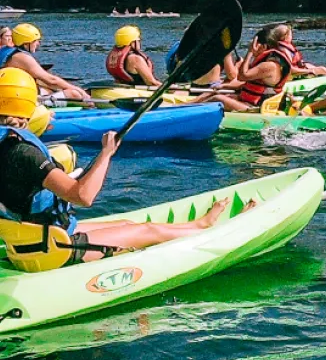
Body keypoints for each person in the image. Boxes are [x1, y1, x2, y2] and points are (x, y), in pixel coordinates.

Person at [0, 68, 250, 270]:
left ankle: (197, 224)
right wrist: (106, 153)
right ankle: (204, 228)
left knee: (127, 222)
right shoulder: (23, 153)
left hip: (27, 241)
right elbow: (83, 196)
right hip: (48, 252)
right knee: (147, 230)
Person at [194, 26, 293, 112]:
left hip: (254, 108)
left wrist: (250, 52)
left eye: (254, 44)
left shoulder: (269, 66)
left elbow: (242, 76)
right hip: (249, 103)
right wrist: (225, 87)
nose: (252, 47)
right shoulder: (267, 63)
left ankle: (189, 110)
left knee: (217, 98)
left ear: (263, 46)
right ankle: (187, 104)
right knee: (217, 92)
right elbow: (246, 82)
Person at [0, 23, 90, 103]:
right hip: (14, 98)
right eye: (35, 41)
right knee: (74, 94)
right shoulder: (22, 57)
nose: (38, 44)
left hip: (10, 94)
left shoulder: (6, 51)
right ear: (26, 43)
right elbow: (51, 80)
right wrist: (78, 89)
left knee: (48, 90)